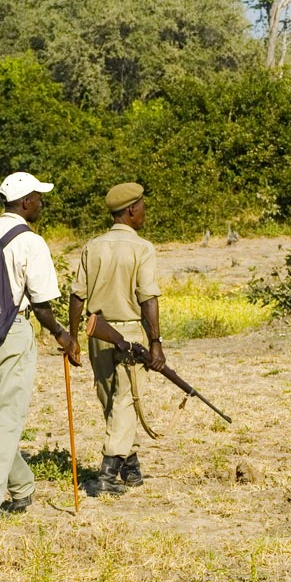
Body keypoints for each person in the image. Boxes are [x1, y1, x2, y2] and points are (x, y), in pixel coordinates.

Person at [0, 172, 79, 524]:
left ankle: (22, 488)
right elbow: (40, 303)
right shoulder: (31, 242)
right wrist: (61, 334)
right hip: (13, 331)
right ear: (25, 203)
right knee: (4, 421)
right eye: (38, 197)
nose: (41, 203)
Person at [68, 182, 165, 495]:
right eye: (143, 208)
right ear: (132, 210)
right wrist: (155, 342)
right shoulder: (142, 248)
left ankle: (130, 465)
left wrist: (73, 338)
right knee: (124, 400)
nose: (144, 213)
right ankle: (108, 474)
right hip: (127, 332)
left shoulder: (93, 246)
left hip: (97, 331)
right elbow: (148, 297)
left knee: (110, 398)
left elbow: (77, 296)